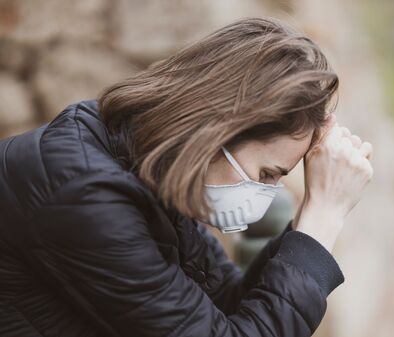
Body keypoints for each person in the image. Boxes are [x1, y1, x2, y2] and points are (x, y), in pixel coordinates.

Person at [0, 17, 373, 336]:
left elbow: (227, 307)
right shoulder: (84, 194)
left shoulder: (142, 169)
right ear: (219, 129)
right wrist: (323, 219)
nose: (264, 194)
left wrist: (306, 226)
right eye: (266, 174)